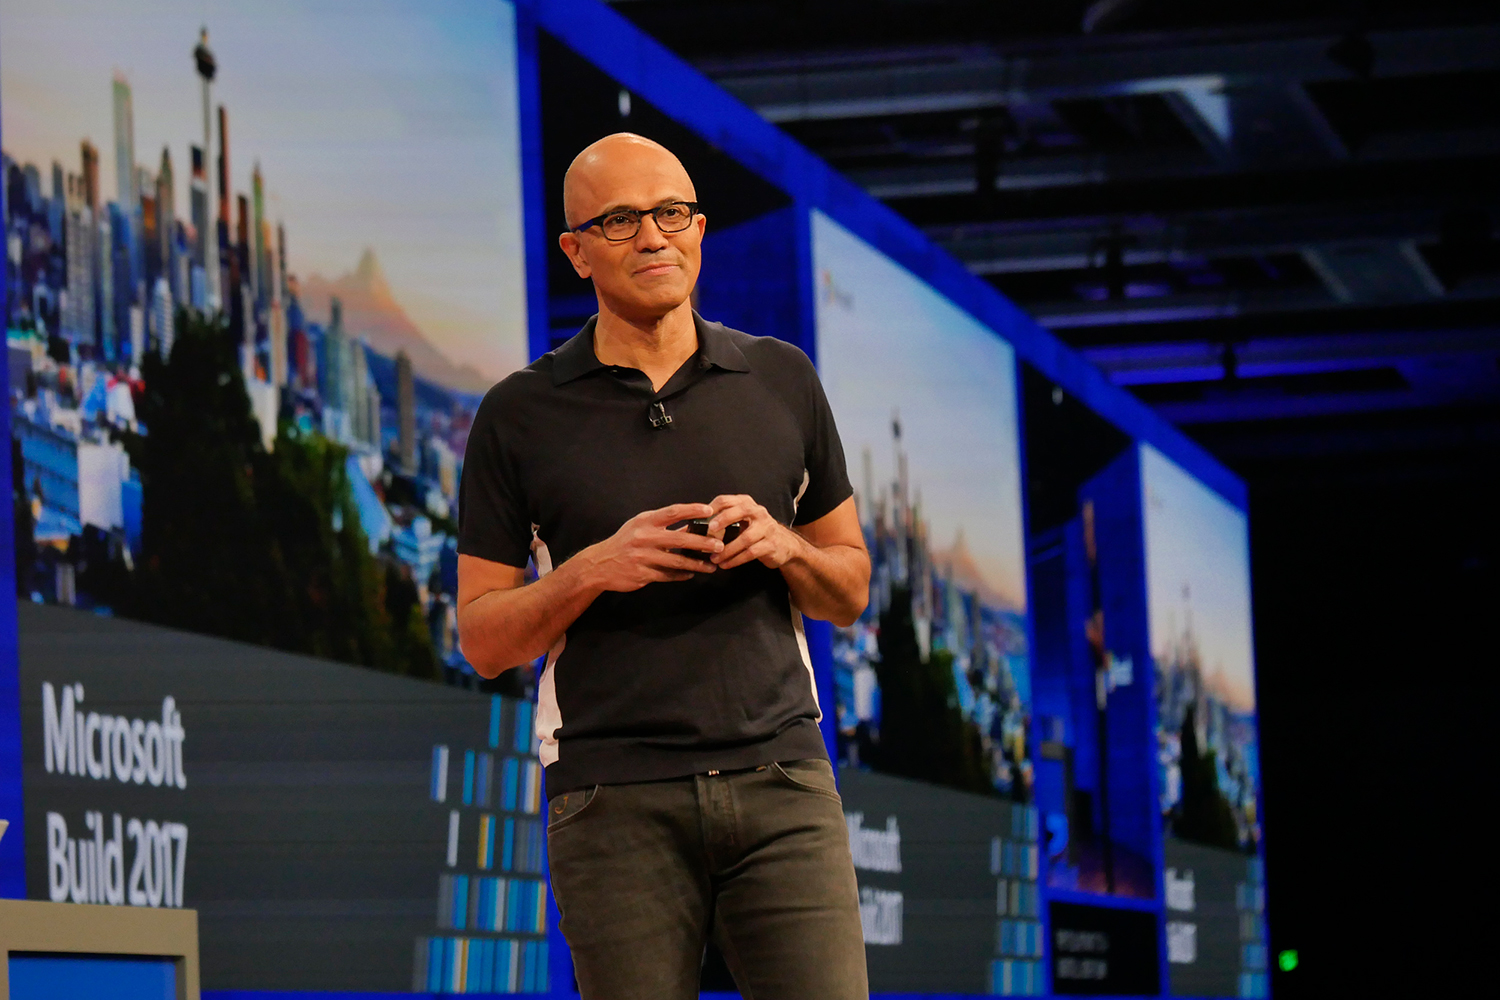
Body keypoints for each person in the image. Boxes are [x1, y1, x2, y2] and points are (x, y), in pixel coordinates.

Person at [456, 133, 871, 1000]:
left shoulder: (781, 378)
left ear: (699, 229)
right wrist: (593, 568)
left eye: (671, 214)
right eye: (620, 220)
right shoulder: (519, 414)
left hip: (783, 782)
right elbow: (485, 638)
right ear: (575, 250)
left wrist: (786, 545)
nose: (654, 237)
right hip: (610, 798)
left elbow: (851, 587)